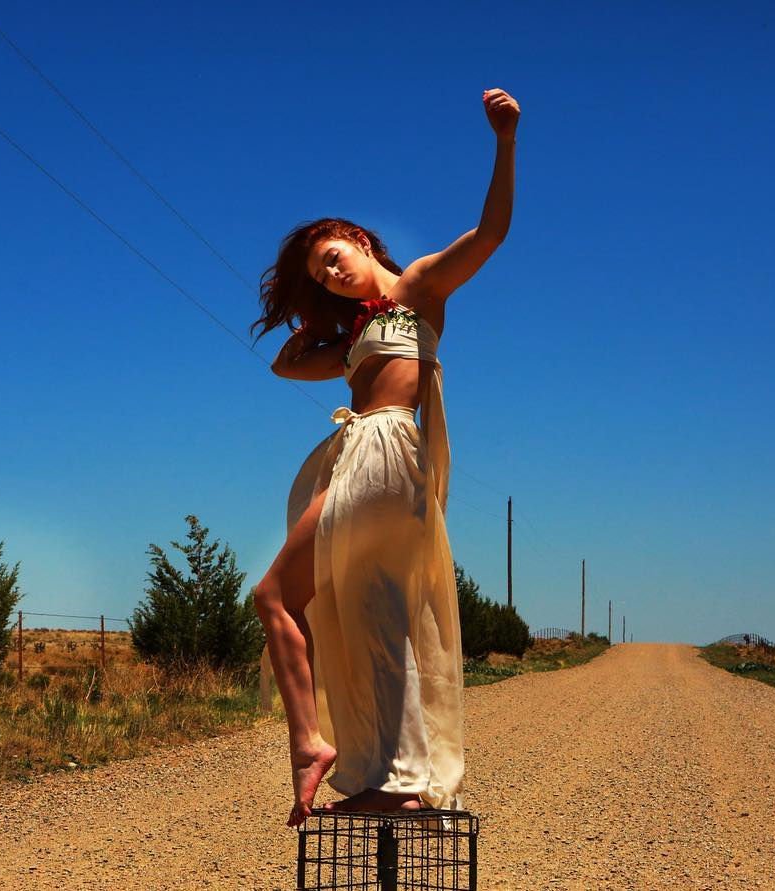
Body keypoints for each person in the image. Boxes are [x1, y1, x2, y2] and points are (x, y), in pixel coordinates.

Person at [249, 88, 519, 828]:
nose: (331, 276)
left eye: (333, 259)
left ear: (360, 240)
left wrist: (504, 140)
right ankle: (397, 779)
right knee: (377, 615)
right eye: (320, 276)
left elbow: (491, 232)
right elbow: (285, 365)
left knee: (276, 595)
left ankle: (310, 743)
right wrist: (323, 319)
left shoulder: (419, 288)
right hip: (378, 461)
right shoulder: (354, 337)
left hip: (384, 446)